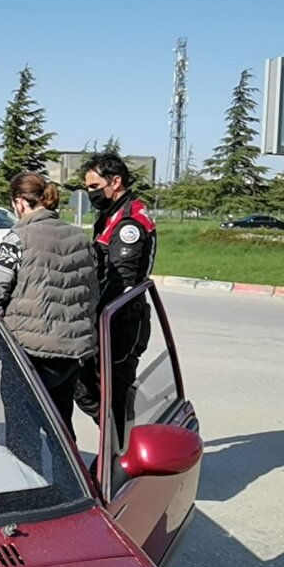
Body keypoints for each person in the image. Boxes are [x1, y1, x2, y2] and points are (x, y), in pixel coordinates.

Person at [0, 172, 98, 438]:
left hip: (27, 354)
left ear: (20, 202)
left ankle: (30, 478)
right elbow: (92, 292)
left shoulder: (17, 237)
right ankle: (68, 477)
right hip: (69, 355)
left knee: (23, 432)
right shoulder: (80, 237)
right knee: (61, 429)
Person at [73, 151, 157, 430]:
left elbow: (121, 280)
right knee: (87, 391)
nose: (90, 193)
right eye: (88, 188)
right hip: (108, 320)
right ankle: (116, 447)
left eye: (95, 186)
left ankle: (120, 457)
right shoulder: (110, 215)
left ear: (116, 181)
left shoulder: (129, 221)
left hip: (120, 323)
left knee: (113, 398)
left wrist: (94, 317)